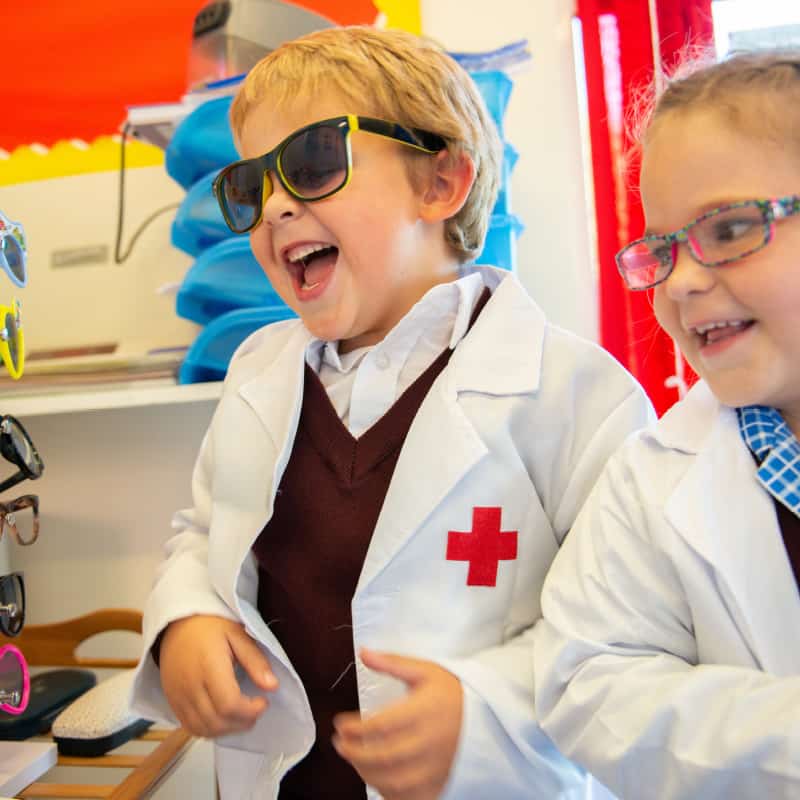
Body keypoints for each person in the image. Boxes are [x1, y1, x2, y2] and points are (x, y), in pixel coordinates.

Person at [130, 25, 653, 800]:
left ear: (440, 185)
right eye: (250, 186)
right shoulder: (258, 374)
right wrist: (184, 620)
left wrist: (487, 712)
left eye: (310, 163)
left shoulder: (574, 395)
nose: (273, 207)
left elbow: (629, 631)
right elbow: (204, 534)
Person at [534, 48, 800, 800]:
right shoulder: (651, 477)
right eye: (660, 249)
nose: (681, 278)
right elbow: (588, 682)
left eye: (729, 229)